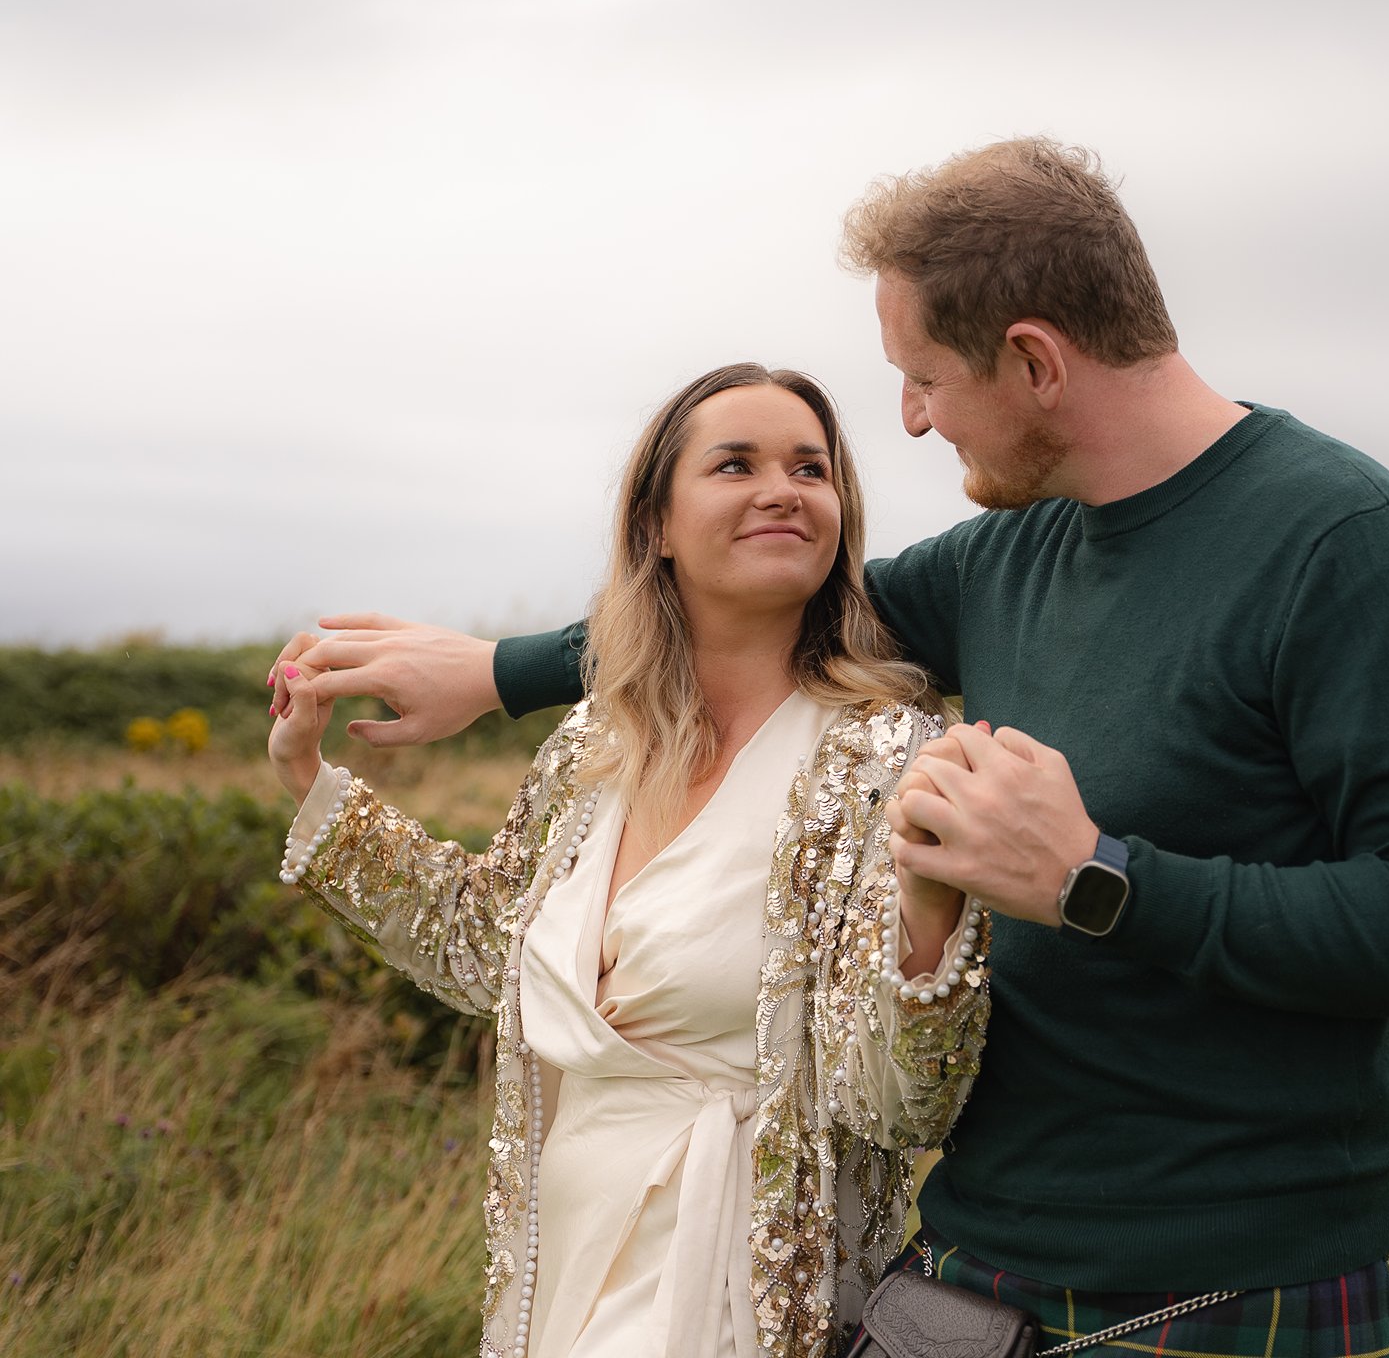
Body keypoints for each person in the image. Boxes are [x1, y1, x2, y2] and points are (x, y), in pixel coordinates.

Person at [275, 139, 1389, 1355]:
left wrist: (1096, 878)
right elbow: (748, 616)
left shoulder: (1349, 547)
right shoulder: (1012, 557)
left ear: (1033, 360)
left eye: (923, 378)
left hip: (1231, 1287)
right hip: (981, 1263)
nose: (915, 422)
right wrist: (497, 676)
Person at [265, 363, 992, 1358]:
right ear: (656, 525)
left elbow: (903, 1105)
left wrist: (932, 919)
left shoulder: (886, 754)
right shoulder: (595, 745)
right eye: (735, 465)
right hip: (564, 1260)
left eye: (810, 469)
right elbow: (486, 949)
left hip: (740, 1278)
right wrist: (308, 781)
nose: (782, 490)